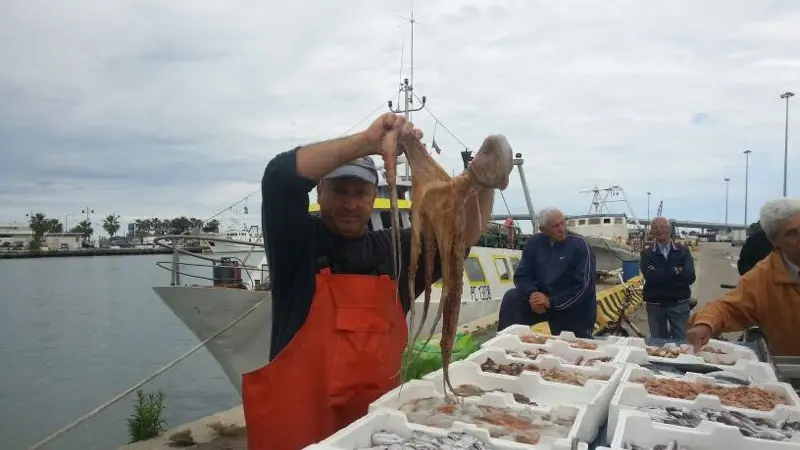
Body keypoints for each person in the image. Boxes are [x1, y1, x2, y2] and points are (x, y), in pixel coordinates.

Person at [245, 113, 497, 450]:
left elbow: (460, 236)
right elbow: (279, 177)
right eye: (339, 190)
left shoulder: (395, 252)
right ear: (319, 191)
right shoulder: (295, 242)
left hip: (373, 435)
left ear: (373, 195)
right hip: (299, 433)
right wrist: (368, 141)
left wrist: (486, 181)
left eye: (361, 192)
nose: (350, 203)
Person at [688, 197, 800, 356]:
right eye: (792, 234)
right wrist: (705, 323)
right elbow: (728, 308)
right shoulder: (764, 278)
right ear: (775, 241)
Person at [497, 207, 598, 338]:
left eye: (563, 223)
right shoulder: (534, 243)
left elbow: (584, 288)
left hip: (572, 309)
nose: (562, 229)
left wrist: (550, 302)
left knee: (569, 346)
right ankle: (505, 340)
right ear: (543, 230)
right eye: (555, 226)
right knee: (512, 298)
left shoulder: (580, 245)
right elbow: (522, 275)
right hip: (542, 304)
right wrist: (533, 296)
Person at [639, 217, 696, 340]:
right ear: (651, 232)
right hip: (655, 306)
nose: (659, 230)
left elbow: (690, 276)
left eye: (663, 227)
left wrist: (659, 272)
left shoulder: (683, 251)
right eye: (655, 228)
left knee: (682, 342)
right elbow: (650, 277)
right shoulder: (646, 253)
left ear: (670, 229)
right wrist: (676, 271)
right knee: (657, 343)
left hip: (679, 304)